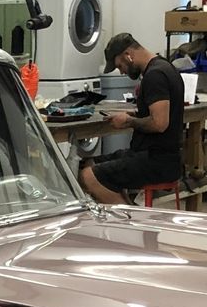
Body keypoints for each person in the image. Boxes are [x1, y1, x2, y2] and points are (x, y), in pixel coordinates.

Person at [78, 32, 185, 204]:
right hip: (156, 156)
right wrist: (133, 115)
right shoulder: (164, 67)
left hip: (158, 161)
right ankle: (130, 210)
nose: (121, 71)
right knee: (88, 163)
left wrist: (128, 122)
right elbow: (159, 116)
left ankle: (129, 222)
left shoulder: (155, 75)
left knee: (87, 176)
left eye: (120, 65)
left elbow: (159, 124)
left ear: (128, 55)